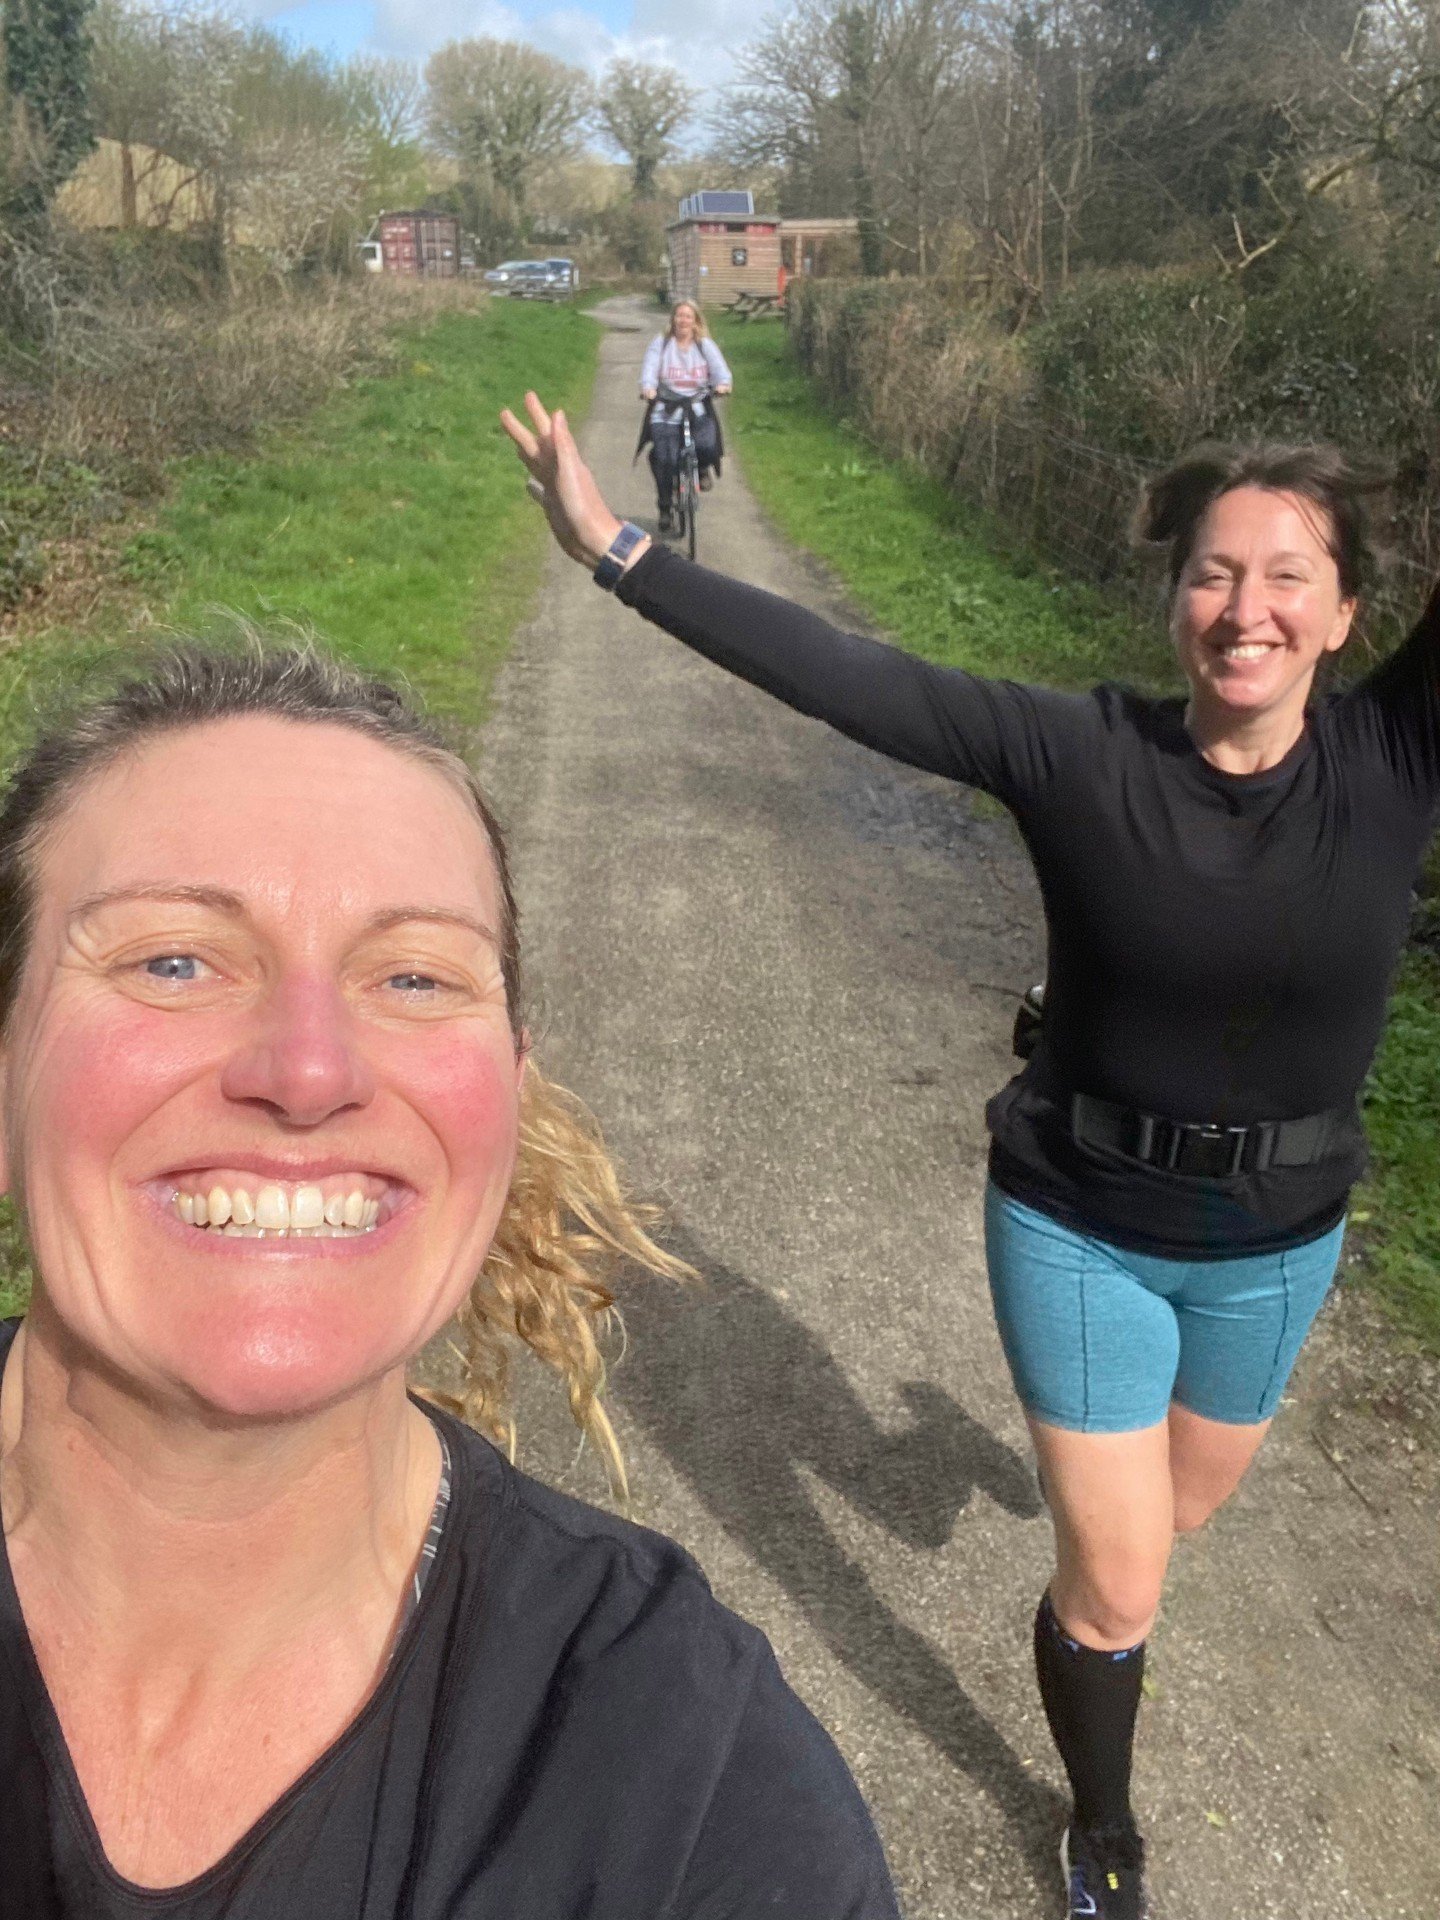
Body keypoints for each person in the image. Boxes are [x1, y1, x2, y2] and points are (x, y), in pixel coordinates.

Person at [501, 393, 1440, 1920]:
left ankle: (1084, 1531)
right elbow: (849, 678)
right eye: (1211, 572)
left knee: (1179, 1512)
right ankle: (1105, 1823)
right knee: (1123, 1581)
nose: (1243, 608)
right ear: (1172, 596)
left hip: (1282, 1235)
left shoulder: (1397, 762)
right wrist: (612, 545)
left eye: (1284, 576)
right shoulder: (1083, 755)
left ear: (1344, 612)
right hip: (1082, 1218)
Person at [0, 640, 904, 1919]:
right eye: (175, 961)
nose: (308, 1071)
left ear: (506, 1100)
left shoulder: (689, 1784)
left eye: (415, 976)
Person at [638, 300, 732, 535]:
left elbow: (720, 370)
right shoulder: (661, 344)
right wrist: (648, 388)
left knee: (708, 444)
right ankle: (665, 508)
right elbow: (649, 369)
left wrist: (722, 385)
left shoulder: (704, 346)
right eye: (679, 316)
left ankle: (701, 469)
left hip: (697, 406)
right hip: (666, 408)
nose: (683, 321)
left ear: (695, 321)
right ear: (673, 319)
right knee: (664, 459)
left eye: (688, 316)